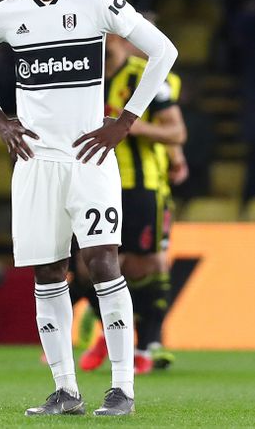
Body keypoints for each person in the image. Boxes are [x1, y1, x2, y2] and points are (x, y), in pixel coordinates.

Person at [0, 0, 177, 416]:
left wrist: (124, 120)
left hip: (89, 157)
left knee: (104, 263)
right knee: (48, 271)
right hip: (35, 161)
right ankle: (66, 390)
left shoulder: (96, 2)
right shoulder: (4, 12)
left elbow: (164, 50)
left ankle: (122, 387)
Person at [78, 28, 186, 374]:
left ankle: (143, 343)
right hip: (92, 183)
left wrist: (133, 127)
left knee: (145, 265)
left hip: (141, 185)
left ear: (121, 39)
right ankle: (120, 336)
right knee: (85, 267)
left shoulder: (147, 77)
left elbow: (176, 132)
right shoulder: (80, 76)